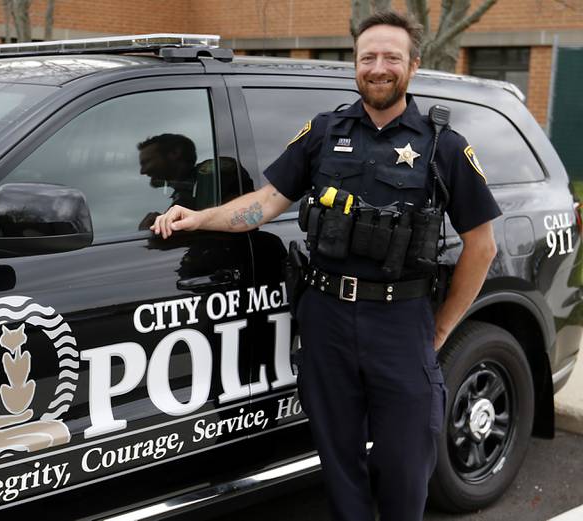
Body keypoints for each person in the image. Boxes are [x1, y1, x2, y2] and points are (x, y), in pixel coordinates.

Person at [151, 9, 500, 521]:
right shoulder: (323, 131)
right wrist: (197, 216)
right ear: (354, 64)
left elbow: (482, 245)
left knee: (406, 466)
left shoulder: (442, 145)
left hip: (400, 324)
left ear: (413, 65)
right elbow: (266, 202)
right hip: (327, 320)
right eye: (368, 57)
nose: (378, 67)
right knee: (339, 463)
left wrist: (443, 326)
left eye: (391, 57)